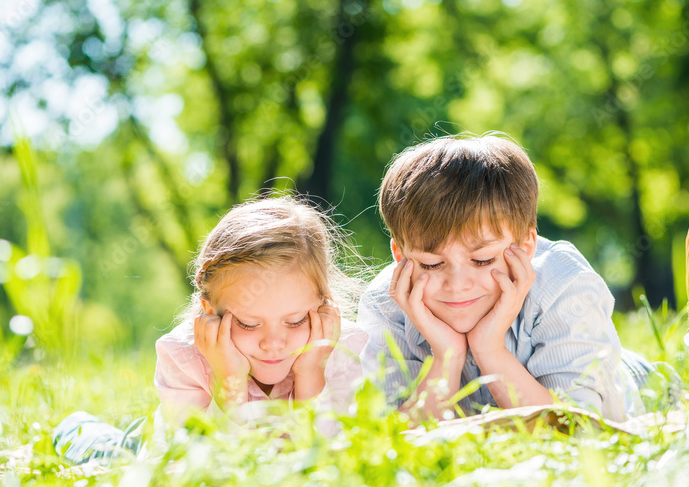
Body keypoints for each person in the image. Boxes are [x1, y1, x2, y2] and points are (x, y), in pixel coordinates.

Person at [357, 133, 649, 423]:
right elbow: (393, 439)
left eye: (482, 260)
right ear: (400, 255)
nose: (458, 284)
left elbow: (575, 430)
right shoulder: (388, 302)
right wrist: (447, 357)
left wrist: (489, 349)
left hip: (630, 382)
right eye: (431, 264)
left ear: (525, 246)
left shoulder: (563, 285)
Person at [53, 196, 367, 463]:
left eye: (295, 321)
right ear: (209, 313)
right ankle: (77, 426)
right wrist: (228, 381)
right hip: (158, 443)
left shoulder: (337, 348)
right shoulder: (186, 356)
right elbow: (203, 463)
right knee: (110, 450)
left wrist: (311, 373)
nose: (273, 343)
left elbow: (329, 454)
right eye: (248, 323)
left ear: (324, 305)